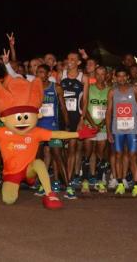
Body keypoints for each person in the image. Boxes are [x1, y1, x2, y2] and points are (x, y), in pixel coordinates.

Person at [0, 76, 97, 209]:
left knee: (39, 163)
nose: (22, 121)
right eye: (18, 117)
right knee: (8, 200)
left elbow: (58, 134)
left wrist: (78, 134)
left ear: (37, 116)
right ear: (3, 119)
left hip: (29, 170)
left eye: (27, 117)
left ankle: (50, 195)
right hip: (11, 174)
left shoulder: (35, 132)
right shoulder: (2, 132)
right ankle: (15, 187)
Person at [106, 67, 137, 197]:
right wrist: (108, 131)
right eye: (119, 76)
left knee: (133, 156)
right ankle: (120, 184)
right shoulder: (112, 91)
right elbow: (109, 112)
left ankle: (135, 186)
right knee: (118, 155)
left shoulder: (134, 89)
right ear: (115, 77)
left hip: (132, 129)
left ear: (127, 77)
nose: (122, 78)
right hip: (117, 129)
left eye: (124, 76)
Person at [35, 64, 69, 195]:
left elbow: (63, 108)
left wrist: (66, 126)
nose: (39, 74)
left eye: (42, 72)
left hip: (53, 128)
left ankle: (69, 187)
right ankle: (42, 185)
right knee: (39, 159)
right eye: (38, 72)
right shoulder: (33, 89)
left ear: (48, 74)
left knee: (58, 157)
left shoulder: (56, 88)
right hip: (37, 129)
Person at [60, 51, 89, 199]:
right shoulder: (61, 75)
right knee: (58, 151)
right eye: (68, 58)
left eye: (73, 59)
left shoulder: (83, 78)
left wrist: (82, 119)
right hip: (61, 118)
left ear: (78, 62)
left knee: (72, 149)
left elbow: (85, 101)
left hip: (75, 117)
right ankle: (61, 180)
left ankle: (69, 183)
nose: (69, 61)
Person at [82, 66, 110, 193]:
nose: (100, 77)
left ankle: (99, 181)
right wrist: (93, 124)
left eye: (102, 74)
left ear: (106, 75)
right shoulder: (89, 88)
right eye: (97, 74)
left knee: (100, 155)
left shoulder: (110, 90)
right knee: (87, 154)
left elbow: (110, 110)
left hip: (103, 128)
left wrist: (101, 124)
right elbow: (84, 108)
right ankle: (85, 181)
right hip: (89, 125)